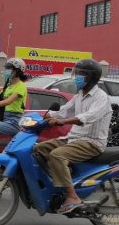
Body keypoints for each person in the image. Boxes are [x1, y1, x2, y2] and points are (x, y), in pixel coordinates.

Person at [34, 59, 113, 214]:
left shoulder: (101, 97)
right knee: (38, 149)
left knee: (57, 156)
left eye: (81, 74)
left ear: (91, 77)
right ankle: (53, 183)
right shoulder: (79, 95)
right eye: (77, 73)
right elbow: (62, 111)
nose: (77, 77)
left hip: (91, 142)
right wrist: (40, 117)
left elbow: (86, 117)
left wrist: (60, 122)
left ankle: (72, 195)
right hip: (73, 139)